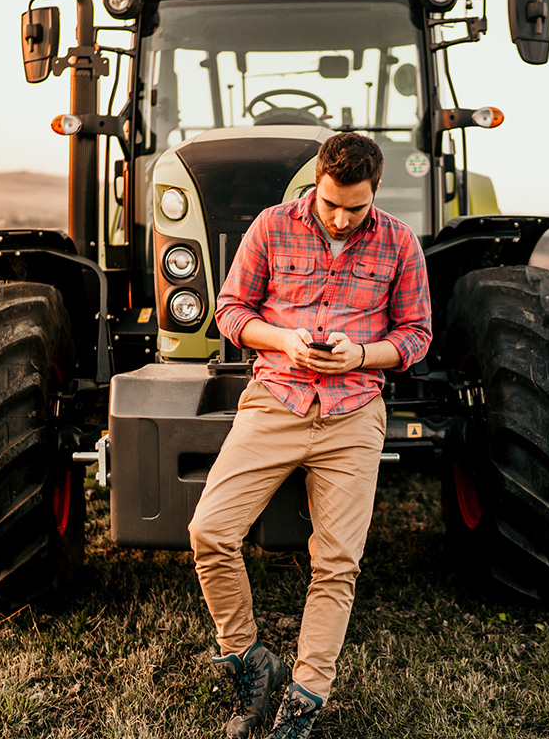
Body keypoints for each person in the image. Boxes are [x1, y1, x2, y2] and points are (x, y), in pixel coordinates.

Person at [188, 132, 432, 739]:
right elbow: (230, 310)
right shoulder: (271, 226)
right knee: (210, 532)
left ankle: (305, 696)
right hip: (275, 401)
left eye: (356, 207)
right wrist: (284, 340)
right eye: (331, 205)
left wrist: (362, 354)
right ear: (316, 184)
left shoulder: (400, 241)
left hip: (353, 413)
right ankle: (248, 660)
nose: (342, 218)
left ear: (375, 191)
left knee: (337, 563)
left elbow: (418, 333)